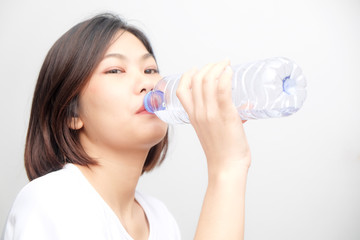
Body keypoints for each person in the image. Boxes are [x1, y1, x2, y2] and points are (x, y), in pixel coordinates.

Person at [2, 13, 251, 240]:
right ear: (72, 113)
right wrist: (226, 168)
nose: (147, 83)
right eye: (115, 70)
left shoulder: (160, 219)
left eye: (150, 69)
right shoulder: (53, 199)